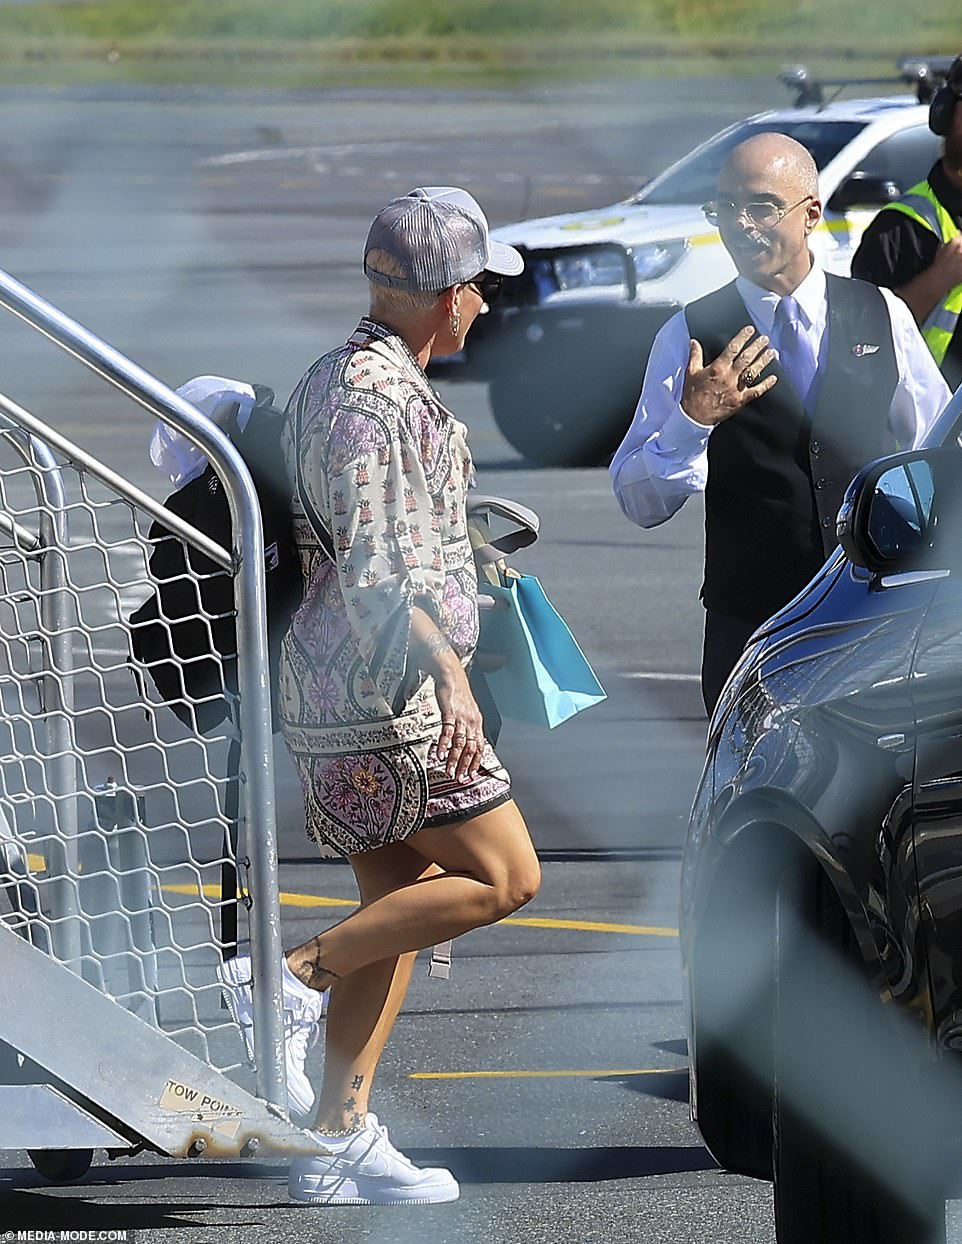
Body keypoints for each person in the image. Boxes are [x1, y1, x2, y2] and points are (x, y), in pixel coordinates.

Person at [219, 186, 541, 1206]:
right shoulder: (370, 400)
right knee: (505, 875)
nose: (485, 305)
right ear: (446, 296)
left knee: (398, 910)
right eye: (479, 288)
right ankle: (289, 978)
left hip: (342, 684)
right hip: (383, 693)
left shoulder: (346, 379)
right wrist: (447, 671)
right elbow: (369, 566)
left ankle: (335, 1134)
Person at [610, 134, 951, 714]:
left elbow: (936, 450)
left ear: (811, 213)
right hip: (752, 632)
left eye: (762, 206)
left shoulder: (881, 313)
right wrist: (691, 423)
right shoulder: (689, 334)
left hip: (872, 615)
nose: (741, 224)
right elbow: (638, 500)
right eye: (725, 208)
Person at [852, 55, 962, 390]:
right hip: (938, 427)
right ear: (944, 114)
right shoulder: (900, 229)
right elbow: (860, 342)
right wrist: (938, 280)